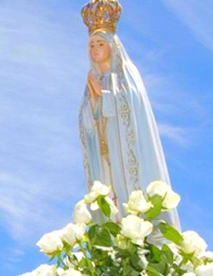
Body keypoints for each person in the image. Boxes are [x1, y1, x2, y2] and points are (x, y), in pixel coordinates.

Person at [79, 0, 180, 228]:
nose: (95, 49)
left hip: (126, 152)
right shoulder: (91, 82)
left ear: (112, 46)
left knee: (133, 204)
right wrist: (93, 103)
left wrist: (104, 96)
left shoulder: (126, 74)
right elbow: (87, 123)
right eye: (91, 45)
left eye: (100, 44)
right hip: (105, 160)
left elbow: (133, 105)